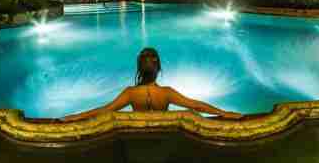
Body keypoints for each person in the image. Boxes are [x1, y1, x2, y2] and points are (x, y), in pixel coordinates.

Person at [62, 47, 242, 121]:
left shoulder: (130, 93)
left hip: (137, 142)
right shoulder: (167, 93)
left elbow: (104, 110)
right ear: (159, 68)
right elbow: (195, 105)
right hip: (165, 138)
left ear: (139, 70)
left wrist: (75, 117)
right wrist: (223, 113)